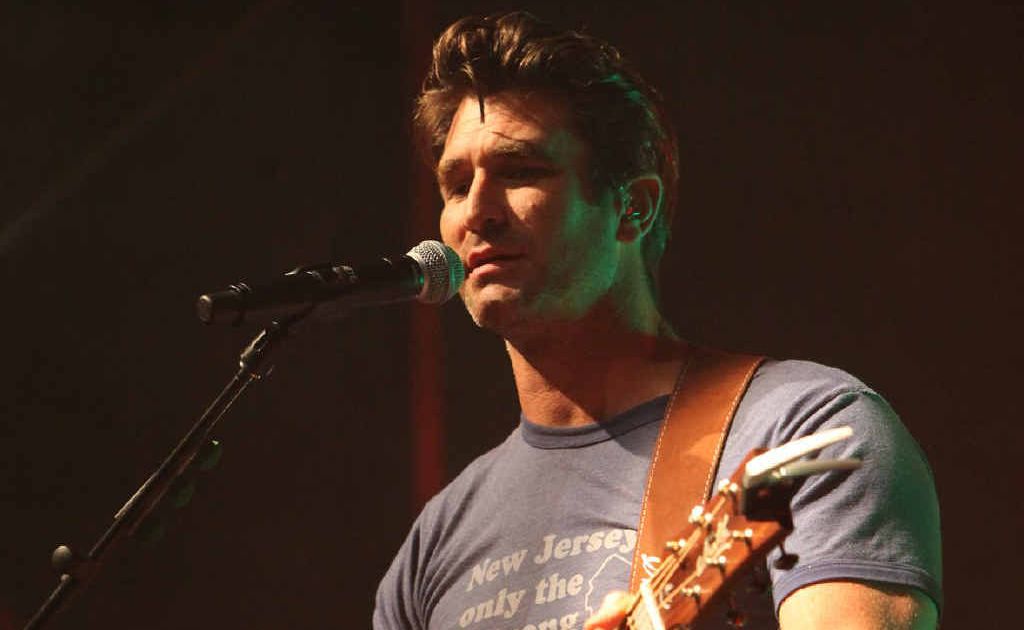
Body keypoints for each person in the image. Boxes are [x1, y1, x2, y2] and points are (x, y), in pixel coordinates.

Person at [374, 12, 941, 630]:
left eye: (520, 171)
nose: (477, 210)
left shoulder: (802, 430)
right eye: (456, 185)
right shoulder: (435, 543)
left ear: (633, 208)